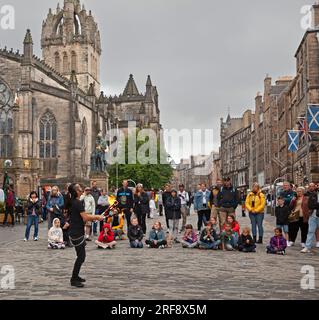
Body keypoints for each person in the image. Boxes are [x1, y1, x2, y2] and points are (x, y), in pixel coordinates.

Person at [68, 183, 104, 288]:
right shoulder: (77, 203)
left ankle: (75, 276)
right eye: (79, 188)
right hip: (76, 233)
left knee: (80, 256)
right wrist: (97, 217)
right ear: (76, 192)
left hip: (76, 231)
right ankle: (73, 279)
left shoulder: (74, 202)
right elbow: (85, 217)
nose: (81, 189)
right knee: (81, 257)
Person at [301, 183, 319, 253]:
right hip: (313, 215)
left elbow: (314, 205)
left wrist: (316, 205)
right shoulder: (313, 195)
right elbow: (310, 205)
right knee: (310, 231)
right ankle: (307, 247)